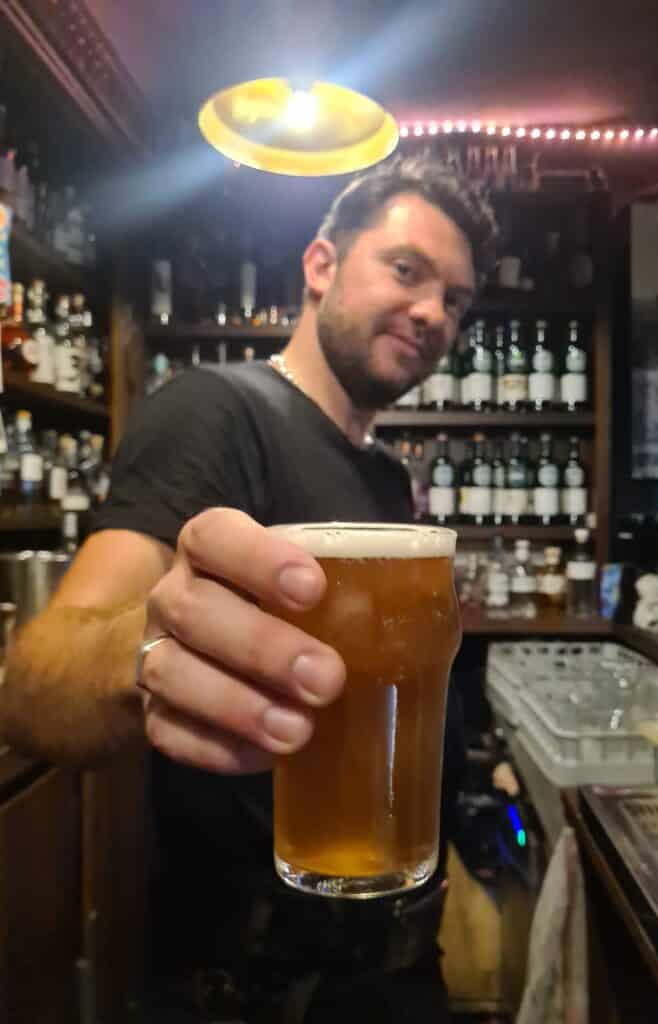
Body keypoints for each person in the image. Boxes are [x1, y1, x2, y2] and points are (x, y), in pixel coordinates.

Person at [1, 155, 498, 1022]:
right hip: (251, 986)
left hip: (398, 968)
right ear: (320, 265)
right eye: (407, 270)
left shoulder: (384, 481)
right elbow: (33, 683)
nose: (431, 312)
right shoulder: (214, 412)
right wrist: (148, 649)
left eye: (455, 300)